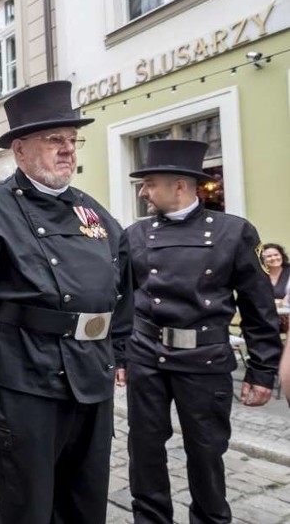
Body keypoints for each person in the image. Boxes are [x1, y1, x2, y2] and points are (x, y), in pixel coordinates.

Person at [0, 80, 134, 524]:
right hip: (24, 378)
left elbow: (121, 287)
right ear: (21, 150)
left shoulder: (94, 213)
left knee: (86, 500)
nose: (67, 150)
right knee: (26, 505)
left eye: (72, 140)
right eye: (54, 140)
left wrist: (121, 352)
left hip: (92, 375)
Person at [123, 139, 282, 524]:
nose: (143, 191)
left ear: (180, 186)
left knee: (206, 451)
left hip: (205, 361)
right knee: (144, 449)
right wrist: (117, 355)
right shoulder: (135, 235)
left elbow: (258, 306)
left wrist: (262, 370)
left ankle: (211, 519)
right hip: (146, 357)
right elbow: (120, 301)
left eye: (150, 183)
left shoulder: (234, 232)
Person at [263, 243, 290, 334]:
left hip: (287, 315)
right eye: (269, 256)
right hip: (267, 315)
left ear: (281, 255)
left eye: (276, 255)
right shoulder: (260, 275)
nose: (274, 258)